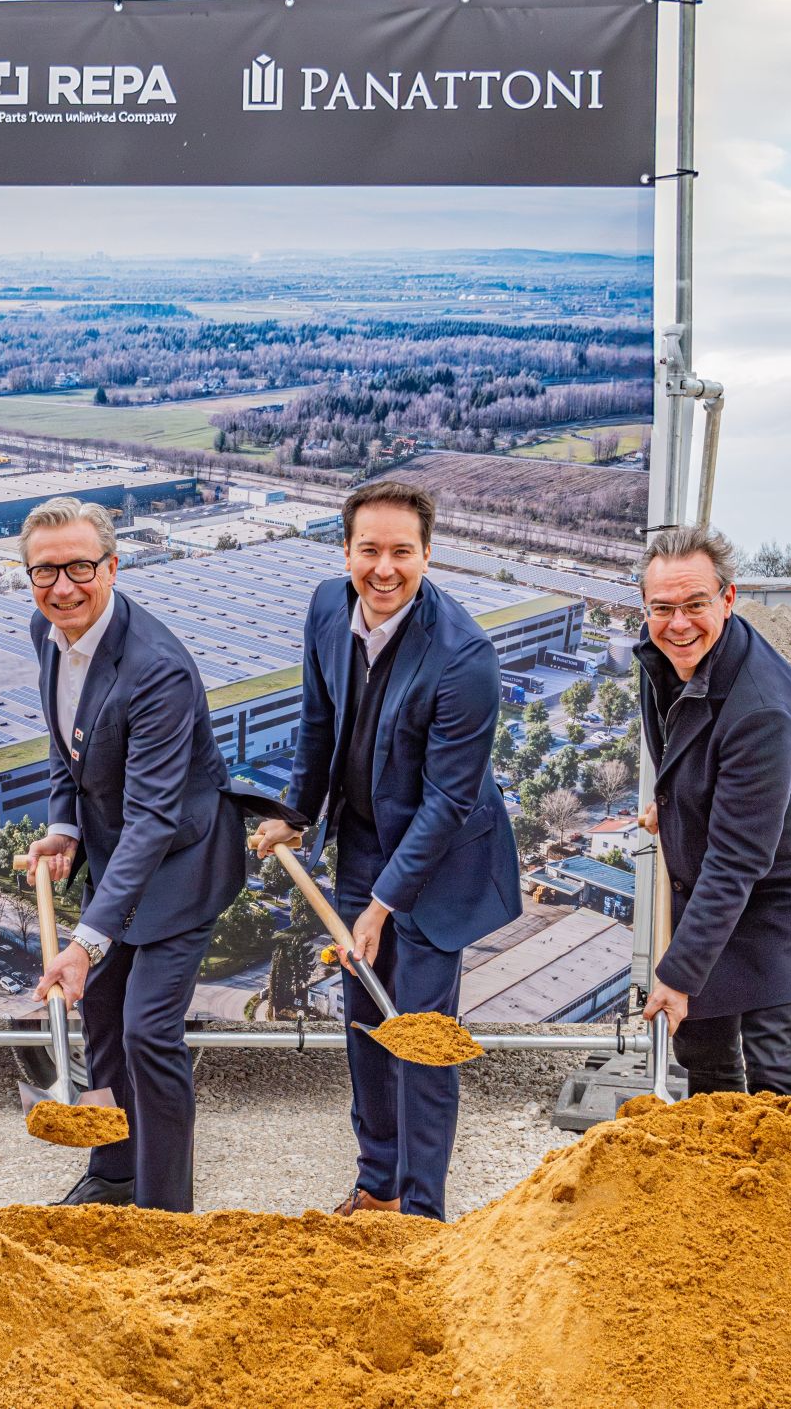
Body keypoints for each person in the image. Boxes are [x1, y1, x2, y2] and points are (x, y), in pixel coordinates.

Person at [252, 480, 520, 1221]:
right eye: (368, 549)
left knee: (420, 1036)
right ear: (345, 552)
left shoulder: (464, 656)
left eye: (402, 551)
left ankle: (422, 1211)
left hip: (438, 864)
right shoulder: (323, 606)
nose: (383, 567)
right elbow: (317, 719)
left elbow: (446, 802)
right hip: (362, 845)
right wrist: (294, 813)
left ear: (427, 556)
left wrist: (380, 907)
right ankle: (377, 1185)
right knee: (365, 1023)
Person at [22, 496, 281, 1213]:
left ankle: (164, 1210)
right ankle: (113, 1170)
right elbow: (62, 742)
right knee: (102, 1017)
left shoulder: (156, 670)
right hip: (113, 852)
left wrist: (82, 941)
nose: (63, 586)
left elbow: (154, 817)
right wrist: (65, 826)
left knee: (146, 1032)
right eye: (45, 570)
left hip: (180, 866)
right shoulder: (48, 631)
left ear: (112, 565)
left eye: (80, 566)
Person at [636, 524, 791, 1096]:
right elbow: (681, 743)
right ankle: (722, 1181)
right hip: (712, 882)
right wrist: (670, 802)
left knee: (776, 1068)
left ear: (727, 599)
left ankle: (784, 1182)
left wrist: (677, 977)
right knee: (702, 1053)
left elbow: (737, 861)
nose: (678, 624)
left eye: (695, 605)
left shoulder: (762, 709)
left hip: (781, 891)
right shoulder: (661, 654)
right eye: (663, 608)